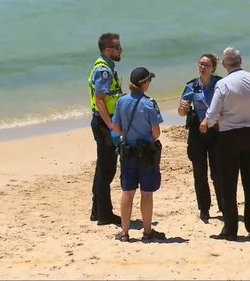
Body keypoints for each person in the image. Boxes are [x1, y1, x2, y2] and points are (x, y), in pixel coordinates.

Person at [202, 47, 250, 241]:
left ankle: (231, 229)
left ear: (224, 64)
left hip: (229, 136)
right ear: (240, 62)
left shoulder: (223, 84)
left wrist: (206, 123)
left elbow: (214, 113)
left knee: (228, 184)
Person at [112, 67, 166, 242]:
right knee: (146, 193)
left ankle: (124, 232)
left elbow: (117, 128)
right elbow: (156, 132)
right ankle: (147, 231)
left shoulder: (121, 102)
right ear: (143, 84)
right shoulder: (149, 104)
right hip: (146, 155)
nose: (150, 83)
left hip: (128, 152)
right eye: (149, 80)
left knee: (127, 192)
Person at [177, 54, 224, 222]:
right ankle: (204, 208)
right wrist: (182, 109)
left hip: (216, 131)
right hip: (197, 133)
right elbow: (182, 112)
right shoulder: (192, 86)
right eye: (200, 64)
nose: (202, 67)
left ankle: (223, 206)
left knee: (218, 172)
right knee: (199, 172)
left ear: (213, 68)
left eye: (206, 64)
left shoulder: (220, 83)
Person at [87, 32, 124, 226]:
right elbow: (100, 101)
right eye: (117, 47)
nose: (121, 50)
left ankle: (97, 210)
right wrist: (111, 126)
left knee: (103, 167)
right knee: (106, 170)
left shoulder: (107, 67)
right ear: (108, 50)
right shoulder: (103, 71)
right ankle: (104, 214)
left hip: (106, 122)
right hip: (104, 123)